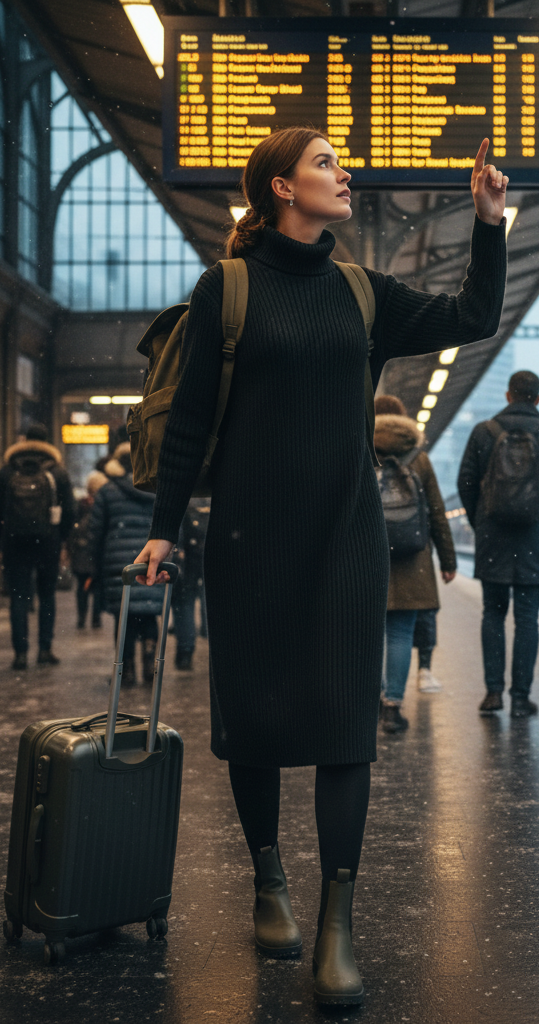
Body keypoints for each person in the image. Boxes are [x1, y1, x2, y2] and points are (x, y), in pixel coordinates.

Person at [135, 127, 507, 1005]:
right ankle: (269, 881)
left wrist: (489, 223)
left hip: (346, 542)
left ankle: (336, 924)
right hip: (249, 538)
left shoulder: (362, 292)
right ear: (280, 190)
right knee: (256, 721)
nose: (344, 175)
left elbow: (472, 317)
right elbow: (188, 423)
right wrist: (161, 529)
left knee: (346, 730)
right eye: (326, 163)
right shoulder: (226, 288)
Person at [458, 370, 539, 718]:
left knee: (493, 614)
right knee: (527, 619)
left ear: (509, 395)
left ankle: (493, 693)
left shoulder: (484, 432)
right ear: (537, 399)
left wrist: (480, 519)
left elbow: (465, 481)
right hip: (536, 537)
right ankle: (521, 698)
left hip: (493, 536)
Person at [374, 395, 457, 733]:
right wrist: (448, 559)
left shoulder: (359, 448)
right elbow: (436, 511)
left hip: (369, 555)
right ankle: (392, 707)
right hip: (412, 556)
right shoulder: (418, 457)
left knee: (368, 635)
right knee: (400, 634)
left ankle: (370, 704)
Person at [88, 443, 165, 687]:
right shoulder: (159, 490)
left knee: (125, 620)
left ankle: (126, 671)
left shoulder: (108, 491)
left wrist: (94, 565)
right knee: (150, 614)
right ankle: (150, 669)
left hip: (119, 566)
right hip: (151, 562)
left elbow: (95, 533)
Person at [0, 423, 75, 670]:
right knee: (47, 596)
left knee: (19, 598)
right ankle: (45, 649)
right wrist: (61, 538)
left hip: (14, 542)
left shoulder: (7, 471)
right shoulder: (57, 472)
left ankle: (20, 654)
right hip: (48, 542)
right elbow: (70, 512)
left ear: (23, 441)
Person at [172, 498, 210, 670]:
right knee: (207, 600)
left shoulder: (184, 500)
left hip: (187, 560)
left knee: (184, 605)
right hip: (208, 556)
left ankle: (185, 652)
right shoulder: (213, 495)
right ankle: (208, 637)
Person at [70, 470, 108, 628]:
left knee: (81, 586)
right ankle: (96, 618)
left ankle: (81, 617)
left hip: (82, 551)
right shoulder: (104, 503)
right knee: (98, 587)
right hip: (98, 550)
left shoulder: (82, 504)